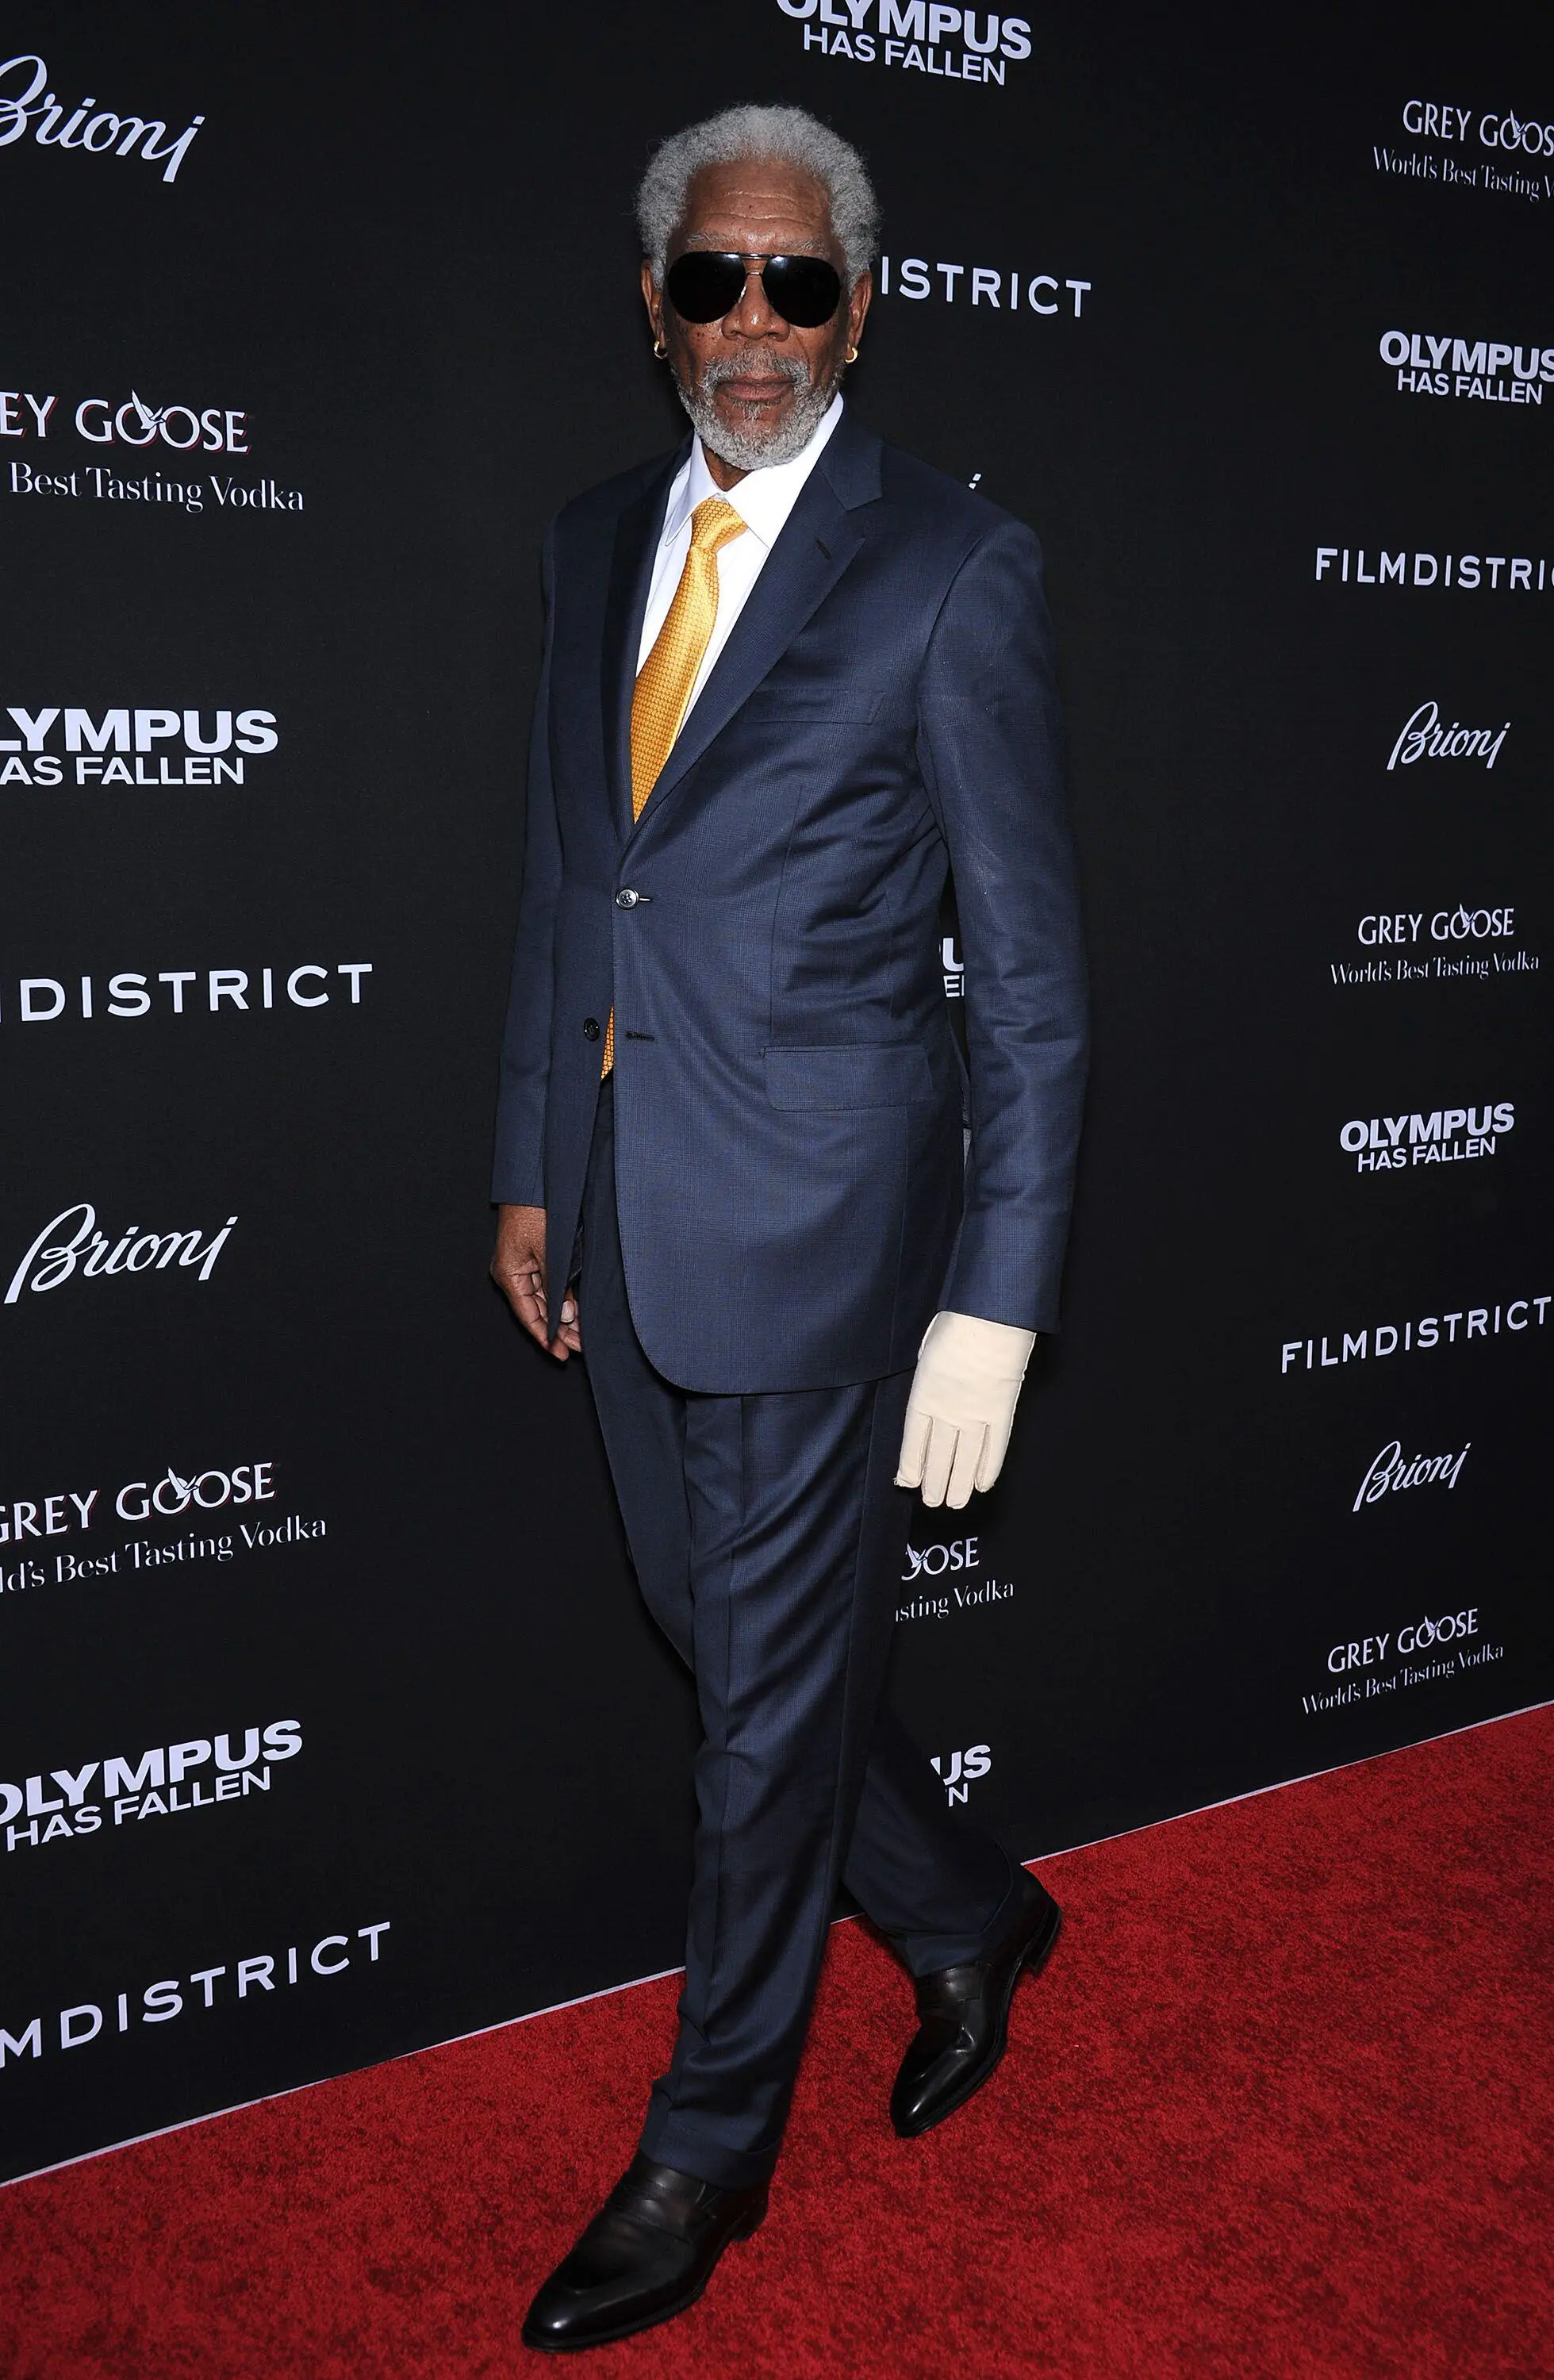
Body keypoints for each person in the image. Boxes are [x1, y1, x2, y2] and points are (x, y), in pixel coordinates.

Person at [490, 102, 1088, 2351]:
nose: (757, 321)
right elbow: (577, 879)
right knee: (729, 1643)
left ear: (859, 309)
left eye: (800, 281)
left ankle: (709, 2139)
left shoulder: (950, 565)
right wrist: (534, 1159)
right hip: (623, 1199)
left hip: (827, 1227)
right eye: (714, 279)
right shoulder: (588, 540)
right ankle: (960, 1909)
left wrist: (994, 1303)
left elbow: (1029, 977)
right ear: (655, 307)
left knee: (753, 1717)